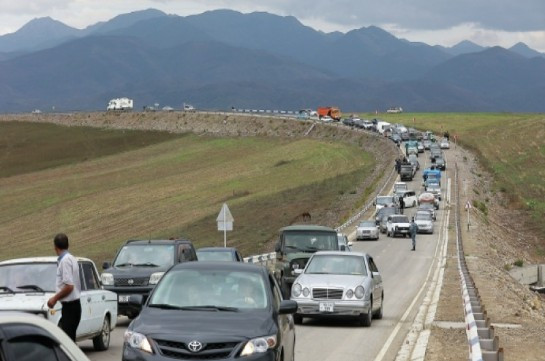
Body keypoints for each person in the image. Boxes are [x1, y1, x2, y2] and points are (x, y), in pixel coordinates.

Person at [47, 233, 81, 342]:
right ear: (68, 245)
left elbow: (69, 286)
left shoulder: (65, 261)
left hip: (70, 307)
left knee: (68, 342)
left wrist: (54, 298)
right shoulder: (71, 258)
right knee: (70, 341)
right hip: (73, 306)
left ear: (55, 247)